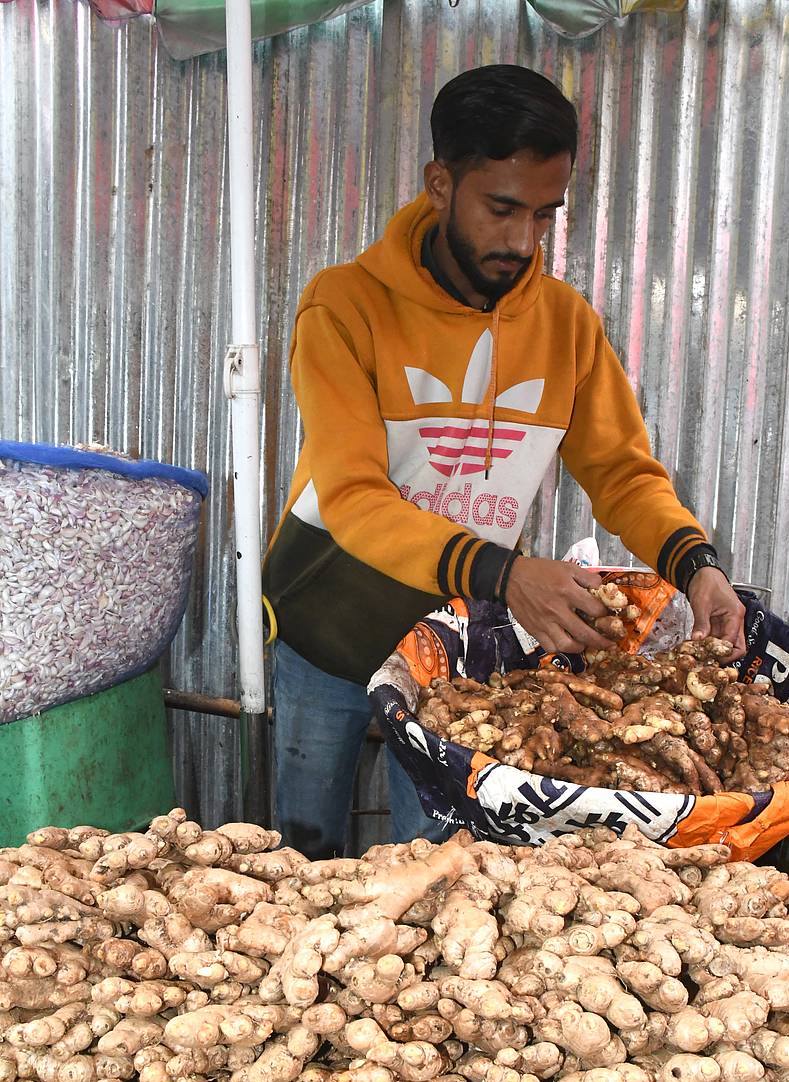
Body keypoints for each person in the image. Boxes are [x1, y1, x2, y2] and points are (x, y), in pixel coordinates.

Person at [264, 63, 746, 859]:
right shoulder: (344, 307)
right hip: (331, 624)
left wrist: (696, 566)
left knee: (440, 862)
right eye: (502, 208)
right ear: (439, 183)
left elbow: (623, 474)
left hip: (455, 644)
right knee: (305, 850)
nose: (523, 241)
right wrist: (509, 575)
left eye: (545, 215)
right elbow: (351, 497)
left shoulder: (566, 325)